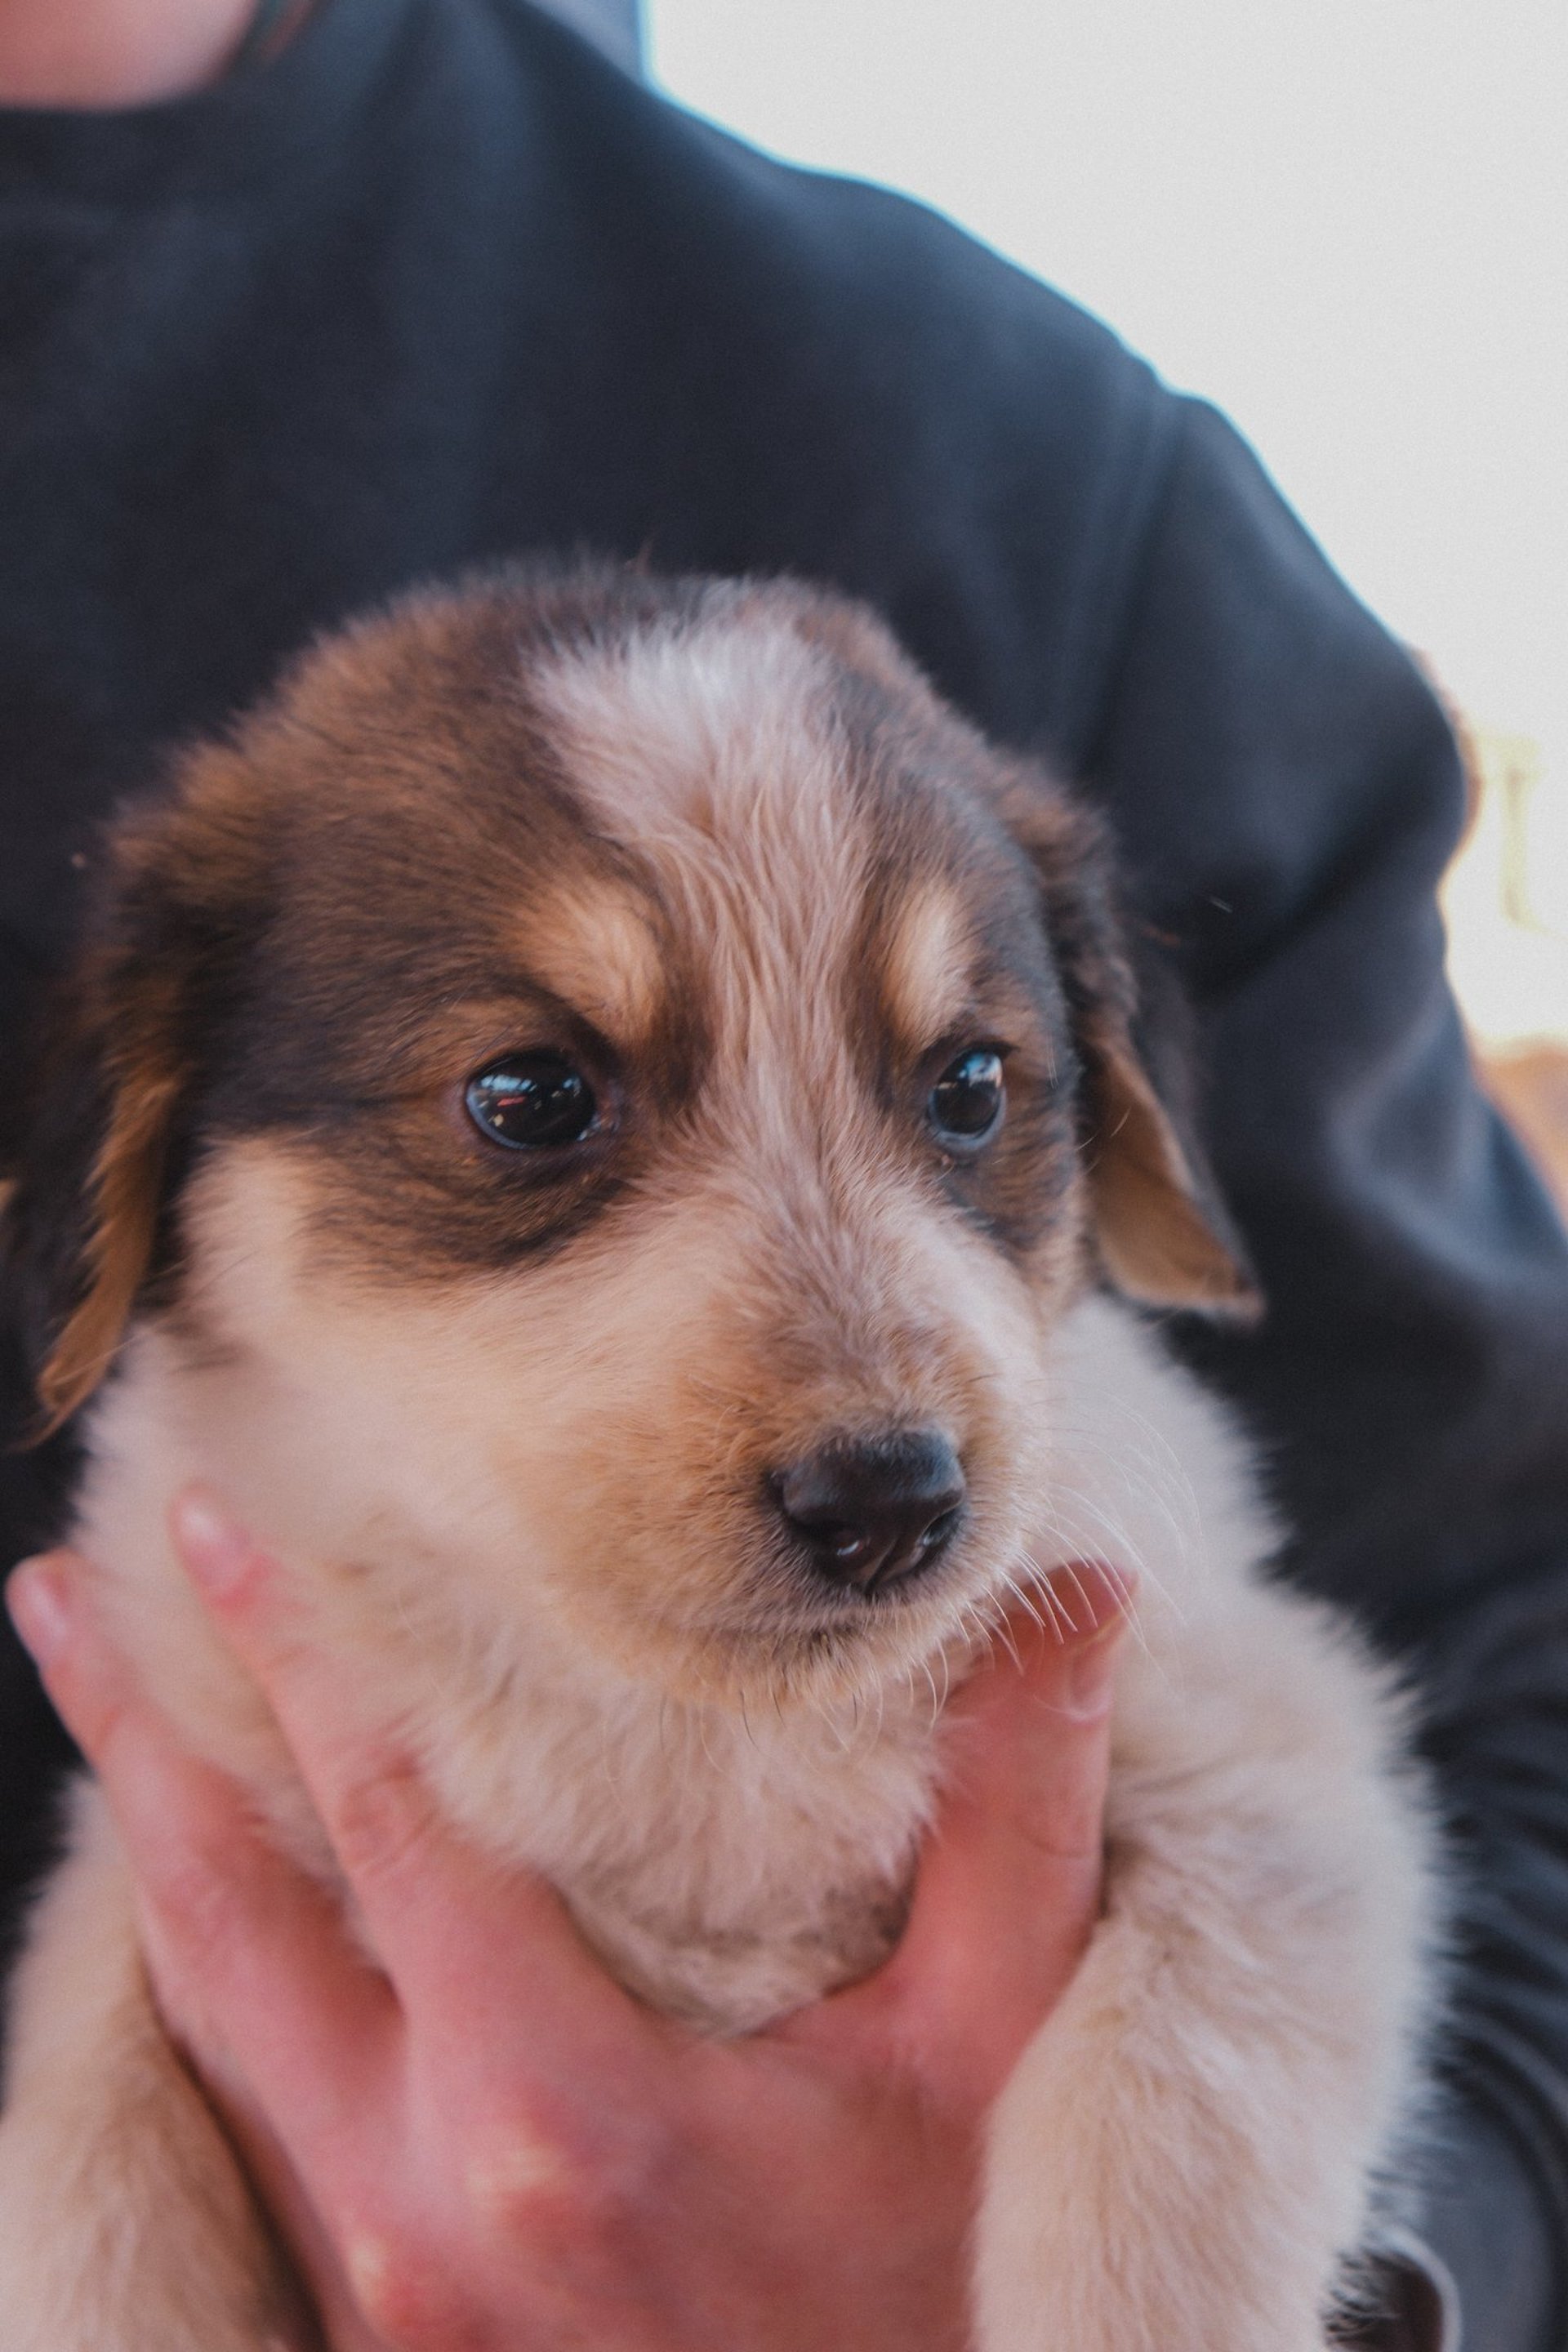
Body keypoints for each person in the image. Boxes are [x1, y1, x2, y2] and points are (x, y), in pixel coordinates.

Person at [2, 2, 1566, 2345]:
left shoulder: (1041, 466)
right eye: (533, 1106)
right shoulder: (209, 1467)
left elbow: (1504, 1637)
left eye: (966, 1100)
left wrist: (1341, 2284)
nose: (877, 1405)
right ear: (141, 1177)